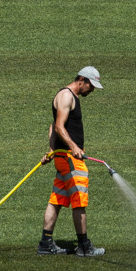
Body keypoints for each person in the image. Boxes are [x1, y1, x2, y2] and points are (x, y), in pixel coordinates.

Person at [38, 66, 105, 257]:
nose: (91, 90)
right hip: (71, 159)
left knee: (57, 199)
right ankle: (84, 246)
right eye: (90, 86)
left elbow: (53, 127)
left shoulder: (64, 95)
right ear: (81, 80)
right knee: (79, 201)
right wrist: (74, 147)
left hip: (62, 157)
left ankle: (46, 243)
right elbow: (59, 126)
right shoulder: (67, 96)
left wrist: (51, 151)